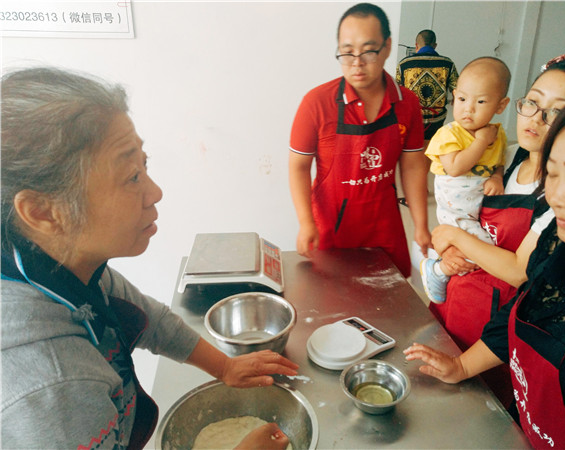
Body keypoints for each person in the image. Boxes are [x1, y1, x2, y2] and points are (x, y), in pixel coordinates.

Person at [0, 67, 298, 450]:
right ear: (43, 212)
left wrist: (225, 367)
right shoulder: (52, 390)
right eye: (131, 177)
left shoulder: (59, 266)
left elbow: (147, 317)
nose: (154, 192)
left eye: (145, 166)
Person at [405, 85, 565, 449]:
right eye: (552, 175)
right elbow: (520, 314)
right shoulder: (559, 247)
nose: (555, 198)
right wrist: (461, 367)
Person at [288, 2, 431, 278]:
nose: (357, 63)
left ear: (387, 47)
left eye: (368, 51)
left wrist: (421, 224)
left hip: (384, 225)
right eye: (347, 53)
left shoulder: (407, 103)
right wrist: (306, 223)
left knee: (390, 302)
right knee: (330, 301)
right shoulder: (316, 104)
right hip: (331, 227)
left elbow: (413, 166)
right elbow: (298, 166)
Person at [420, 57, 511, 303]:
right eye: (461, 99)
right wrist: (481, 141)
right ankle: (437, 270)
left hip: (477, 202)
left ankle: (438, 258)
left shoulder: (498, 133)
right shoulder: (449, 133)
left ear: (501, 105)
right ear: (453, 96)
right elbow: (455, 167)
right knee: (484, 249)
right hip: (456, 204)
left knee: (471, 247)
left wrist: (497, 176)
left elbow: (500, 160)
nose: (468, 109)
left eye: (480, 101)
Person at [396, 29, 459, 144]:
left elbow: (397, 93)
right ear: (435, 45)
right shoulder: (448, 63)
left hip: (412, 118)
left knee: (413, 149)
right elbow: (457, 90)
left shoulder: (404, 64)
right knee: (432, 150)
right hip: (436, 119)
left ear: (416, 45)